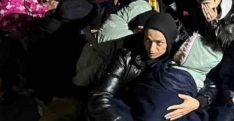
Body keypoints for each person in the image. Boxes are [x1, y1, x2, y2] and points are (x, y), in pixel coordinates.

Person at [88, 12, 217, 121]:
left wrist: (198, 103)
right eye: (147, 40)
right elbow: (99, 97)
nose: (151, 49)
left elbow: (209, 84)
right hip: (124, 108)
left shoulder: (179, 54)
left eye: (159, 43)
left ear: (169, 41)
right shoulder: (126, 56)